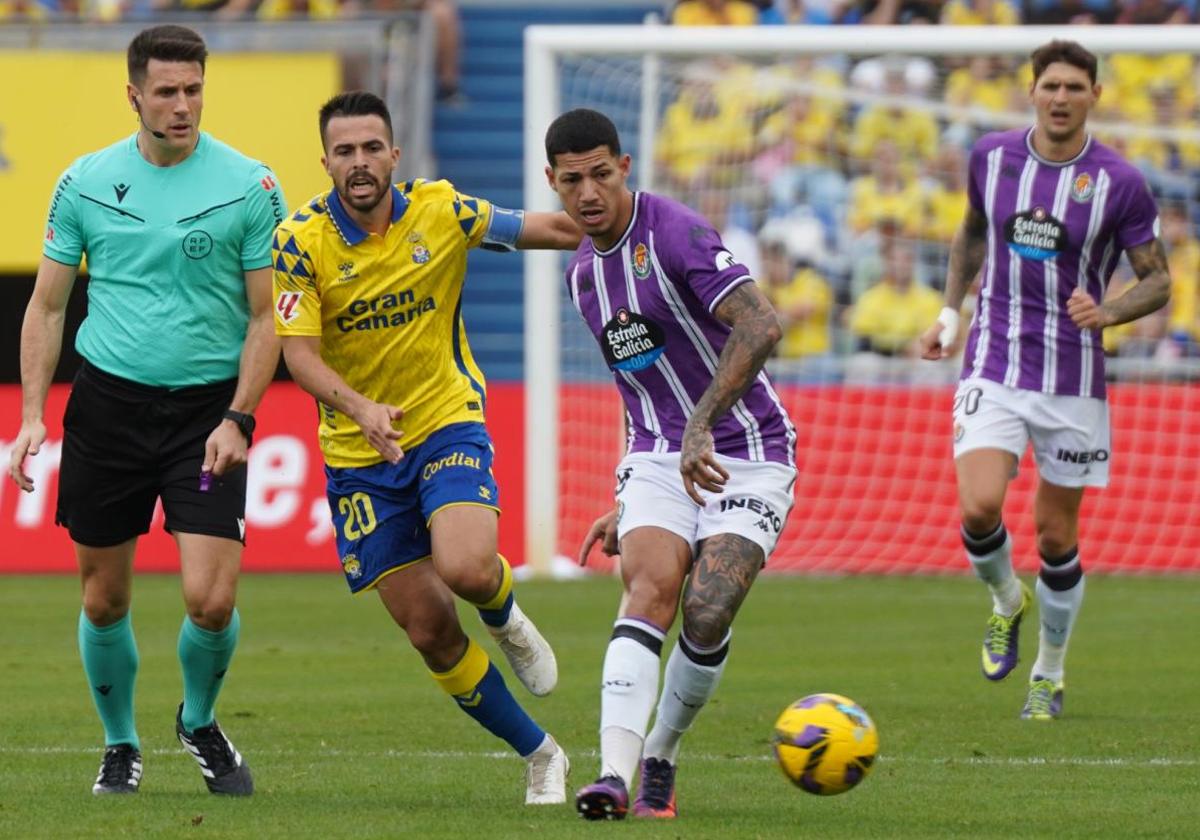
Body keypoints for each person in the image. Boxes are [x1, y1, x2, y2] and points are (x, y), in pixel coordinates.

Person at [272, 91, 579, 805]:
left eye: (370, 148)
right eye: (344, 152)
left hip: (443, 420)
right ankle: (542, 753)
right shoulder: (298, 241)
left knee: (468, 568)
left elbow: (545, 229)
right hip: (359, 454)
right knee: (430, 629)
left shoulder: (442, 210)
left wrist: (629, 224)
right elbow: (299, 356)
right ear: (326, 163)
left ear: (393, 155)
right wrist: (360, 409)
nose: (359, 163)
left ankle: (505, 615)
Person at [8, 25, 287, 795]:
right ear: (133, 95)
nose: (182, 105)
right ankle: (120, 742)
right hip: (108, 407)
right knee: (104, 598)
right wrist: (33, 415)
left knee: (212, 597)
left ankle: (197, 719)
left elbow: (267, 319)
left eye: (193, 89)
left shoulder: (250, 185)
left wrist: (240, 415)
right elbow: (47, 304)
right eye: (166, 91)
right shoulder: (85, 181)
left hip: (206, 414)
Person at [543, 108, 797, 820]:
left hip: (748, 449)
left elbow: (762, 323)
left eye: (600, 173)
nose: (588, 191)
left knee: (708, 611)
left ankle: (661, 753)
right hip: (659, 454)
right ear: (553, 184)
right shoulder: (582, 279)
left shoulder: (675, 231)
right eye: (572, 180)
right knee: (650, 586)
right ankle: (614, 777)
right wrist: (628, 494)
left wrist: (701, 426)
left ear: (624, 168)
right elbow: (639, 388)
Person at [919, 40, 1170, 720]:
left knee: (1056, 536)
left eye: (1075, 88)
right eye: (1051, 86)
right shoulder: (992, 158)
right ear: (1032, 91)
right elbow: (971, 232)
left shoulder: (1119, 182)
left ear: (1094, 96)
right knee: (978, 506)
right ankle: (1006, 600)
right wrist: (949, 312)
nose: (1061, 98)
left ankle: (1049, 674)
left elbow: (1158, 280)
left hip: (1072, 376)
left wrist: (1109, 310)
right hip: (994, 360)